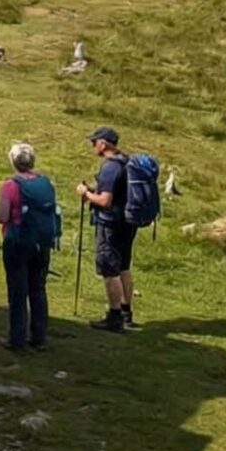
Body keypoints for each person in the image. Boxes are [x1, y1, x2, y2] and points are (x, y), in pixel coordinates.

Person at [0, 142, 59, 350]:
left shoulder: (11, 186)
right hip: (42, 243)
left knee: (17, 291)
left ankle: (17, 338)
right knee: (38, 289)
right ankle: (39, 337)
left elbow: (2, 216)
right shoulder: (46, 183)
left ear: (13, 162)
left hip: (17, 242)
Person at [78, 127, 139, 331]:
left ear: (103, 144)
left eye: (94, 142)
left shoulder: (110, 167)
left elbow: (105, 200)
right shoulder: (126, 161)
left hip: (110, 224)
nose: (93, 146)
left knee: (109, 268)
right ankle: (126, 313)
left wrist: (86, 193)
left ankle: (114, 317)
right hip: (128, 223)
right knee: (123, 267)